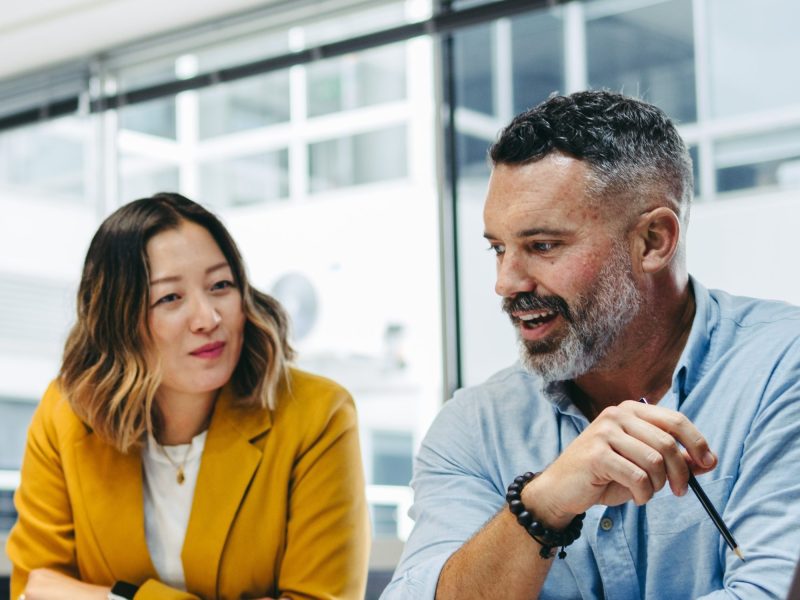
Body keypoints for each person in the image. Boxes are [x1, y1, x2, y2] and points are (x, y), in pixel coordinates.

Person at [382, 91, 800, 599]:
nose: (506, 282)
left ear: (653, 241)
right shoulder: (475, 426)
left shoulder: (782, 369)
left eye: (542, 246)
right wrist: (540, 508)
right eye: (498, 248)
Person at [7, 193, 370, 600]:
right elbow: (35, 589)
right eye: (170, 298)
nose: (208, 318)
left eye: (221, 285)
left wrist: (116, 598)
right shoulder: (67, 411)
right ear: (116, 319)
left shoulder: (318, 415)